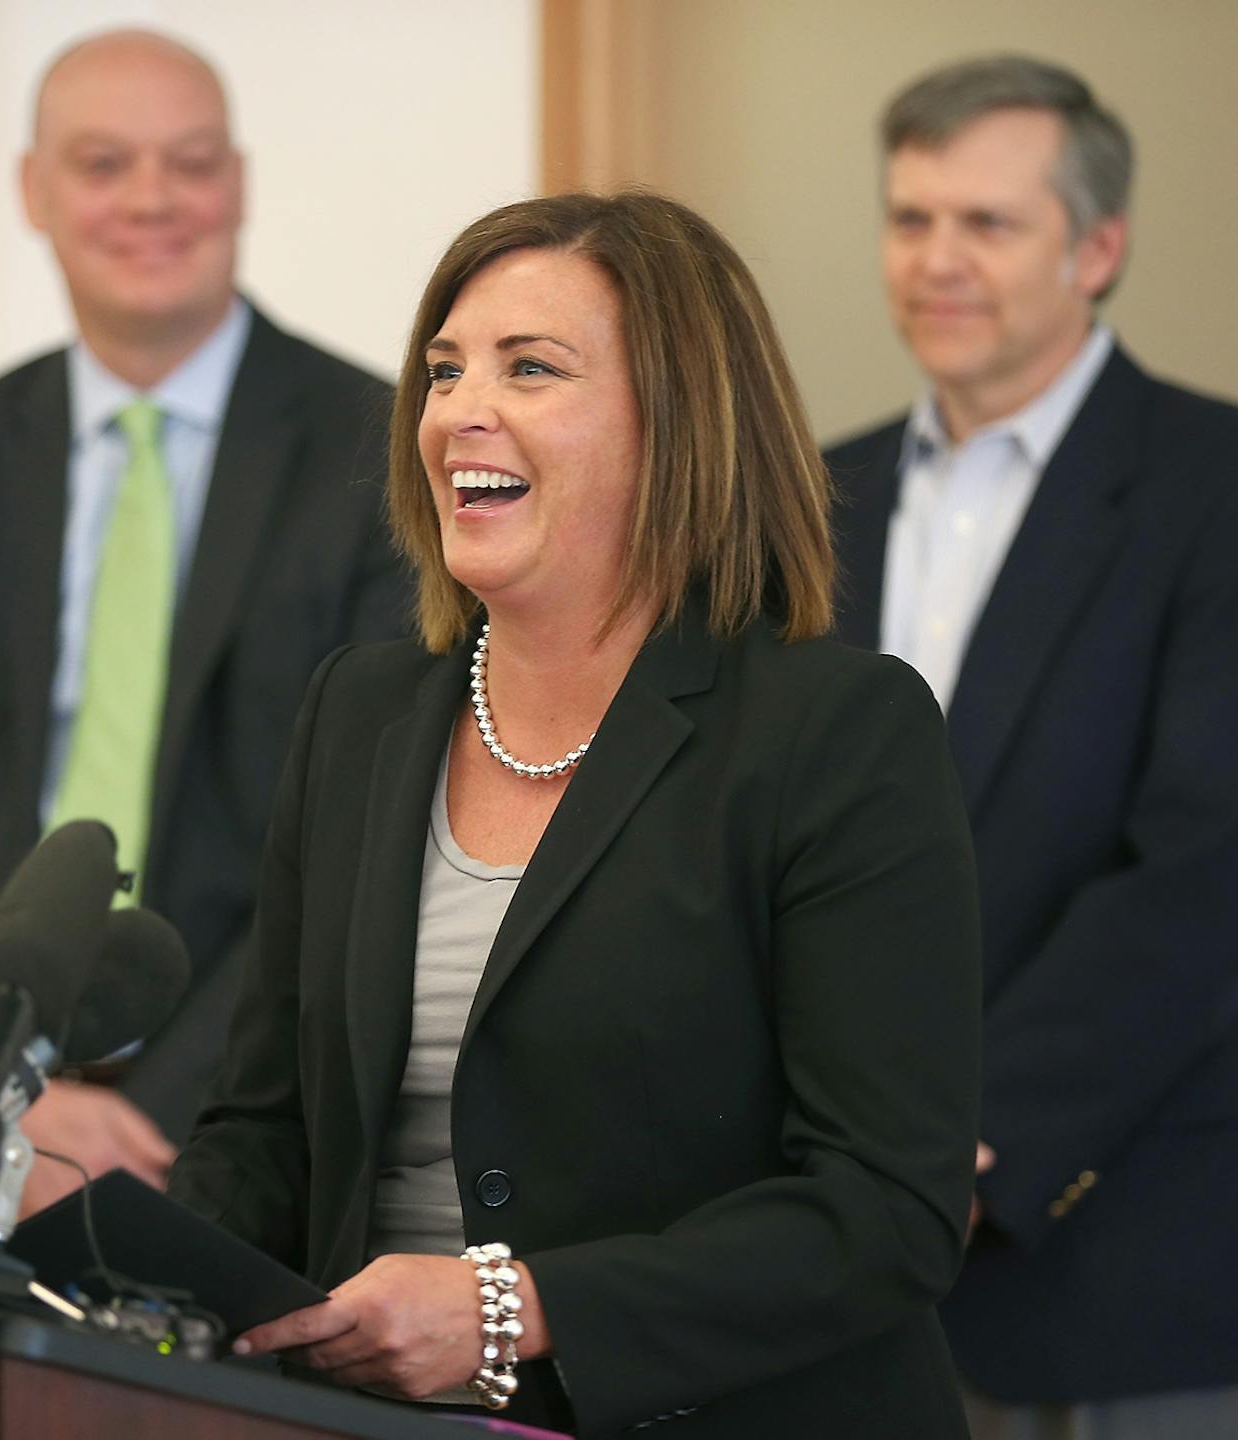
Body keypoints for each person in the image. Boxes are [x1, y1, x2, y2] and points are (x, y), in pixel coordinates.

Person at [161, 191, 982, 1439]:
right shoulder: (357, 716)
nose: (458, 413)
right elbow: (269, 1133)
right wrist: (106, 1289)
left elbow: (884, 1209)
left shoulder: (838, 734)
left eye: (529, 368)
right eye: (443, 372)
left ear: (678, 424)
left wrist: (512, 1308)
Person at [824, 56, 1238, 1438]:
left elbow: (1212, 869)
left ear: (1098, 246)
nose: (937, 261)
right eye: (910, 219)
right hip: (814, 1258)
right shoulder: (809, 498)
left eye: (986, 224)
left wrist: (960, 1142)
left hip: (1114, 1237)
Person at [0, 29, 408, 1215]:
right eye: (103, 164)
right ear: (33, 192)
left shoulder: (379, 450)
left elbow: (368, 843)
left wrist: (155, 1118)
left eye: (190, 163)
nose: (152, 199)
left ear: (237, 183)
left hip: (253, 1130)